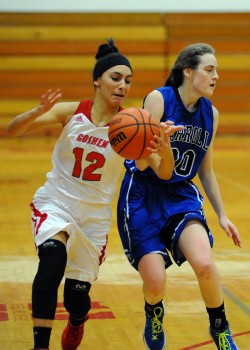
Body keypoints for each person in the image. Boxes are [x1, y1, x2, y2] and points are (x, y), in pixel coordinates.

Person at [7, 38, 180, 350]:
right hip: (56, 202)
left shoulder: (132, 125)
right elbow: (13, 130)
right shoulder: (70, 111)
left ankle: (76, 320)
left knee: (76, 297)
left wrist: (165, 150)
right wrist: (37, 111)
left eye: (128, 81)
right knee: (51, 260)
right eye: (116, 78)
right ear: (97, 80)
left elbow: (164, 172)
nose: (123, 86)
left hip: (94, 218)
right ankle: (40, 346)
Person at [117, 43, 241, 350]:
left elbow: (206, 170)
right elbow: (144, 162)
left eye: (217, 71)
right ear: (188, 71)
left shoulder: (211, 114)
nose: (216, 76)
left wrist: (222, 215)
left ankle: (220, 328)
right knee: (156, 282)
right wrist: (160, 149)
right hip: (142, 195)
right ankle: (154, 312)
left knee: (206, 265)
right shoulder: (159, 99)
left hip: (181, 195)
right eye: (209, 70)